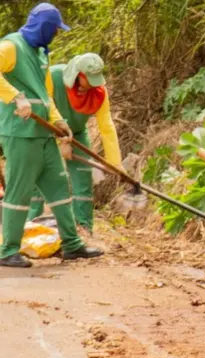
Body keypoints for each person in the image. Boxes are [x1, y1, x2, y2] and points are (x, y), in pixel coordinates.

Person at [0, 3, 103, 268]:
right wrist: (16, 97)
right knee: (19, 192)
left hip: (44, 133)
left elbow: (46, 95)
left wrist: (59, 121)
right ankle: (8, 250)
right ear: (44, 27)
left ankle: (71, 244)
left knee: (60, 189)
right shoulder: (12, 46)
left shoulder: (40, 53)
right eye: (55, 29)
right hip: (21, 134)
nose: (56, 34)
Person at [28, 52, 126, 233]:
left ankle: (83, 227)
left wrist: (115, 163)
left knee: (83, 180)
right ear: (77, 74)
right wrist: (60, 141)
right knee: (37, 177)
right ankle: (30, 225)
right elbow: (44, 106)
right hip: (45, 131)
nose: (92, 84)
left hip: (77, 134)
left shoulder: (98, 92)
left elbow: (106, 126)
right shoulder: (54, 76)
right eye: (89, 79)